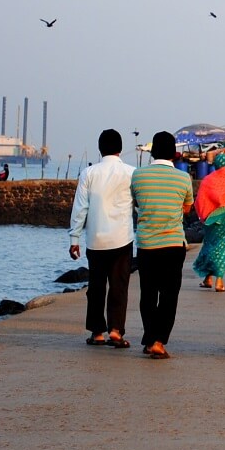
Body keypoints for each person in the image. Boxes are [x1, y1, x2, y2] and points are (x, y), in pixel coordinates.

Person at [67, 129, 135, 349]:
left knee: (96, 286)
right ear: (120, 149)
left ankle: (97, 332)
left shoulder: (89, 173)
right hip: (122, 238)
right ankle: (116, 330)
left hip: (95, 240)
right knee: (119, 285)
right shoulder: (132, 173)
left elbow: (80, 208)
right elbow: (139, 206)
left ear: (100, 148)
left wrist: (74, 238)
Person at [131, 131, 194, 360]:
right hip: (173, 243)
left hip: (147, 244)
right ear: (174, 154)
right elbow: (187, 208)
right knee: (169, 294)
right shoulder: (183, 178)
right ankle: (157, 341)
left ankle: (150, 338)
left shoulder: (138, 175)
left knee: (148, 293)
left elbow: (136, 202)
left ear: (153, 152)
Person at [192, 153, 225, 293]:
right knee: (222, 245)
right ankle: (214, 279)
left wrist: (203, 215)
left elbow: (201, 200)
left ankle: (214, 279)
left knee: (210, 243)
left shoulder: (208, 180)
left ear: (215, 164)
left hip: (213, 217)